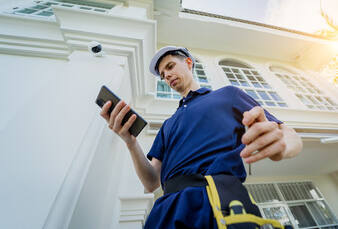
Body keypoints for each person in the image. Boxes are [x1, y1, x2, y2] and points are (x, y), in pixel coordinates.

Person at [100, 46, 303, 228]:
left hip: (219, 200)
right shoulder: (167, 125)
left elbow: (288, 133)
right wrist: (130, 142)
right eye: (163, 74)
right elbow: (151, 182)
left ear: (188, 63)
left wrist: (284, 145)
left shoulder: (228, 95)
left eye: (170, 66)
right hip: (166, 208)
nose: (167, 76)